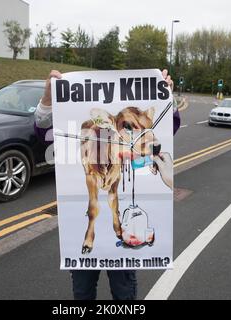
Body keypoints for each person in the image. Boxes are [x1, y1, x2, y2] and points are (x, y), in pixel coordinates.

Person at [34, 69, 180, 300]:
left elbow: (165, 130)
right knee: (82, 292)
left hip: (118, 244)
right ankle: (91, 233)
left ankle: (117, 226)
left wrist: (165, 97)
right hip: (77, 235)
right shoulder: (95, 136)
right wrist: (47, 101)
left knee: (124, 292)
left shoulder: (129, 145)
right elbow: (46, 135)